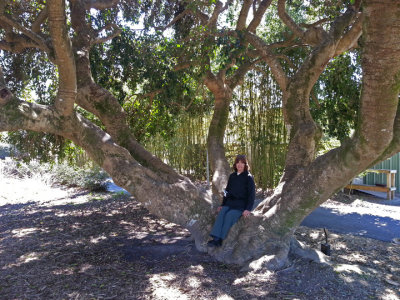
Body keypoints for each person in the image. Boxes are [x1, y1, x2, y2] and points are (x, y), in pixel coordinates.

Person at [207, 154, 255, 247]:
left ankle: (220, 240)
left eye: (242, 163)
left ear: (245, 165)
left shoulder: (248, 177)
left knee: (229, 216)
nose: (240, 165)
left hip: (241, 205)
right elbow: (226, 191)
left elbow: (251, 195)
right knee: (222, 213)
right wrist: (222, 204)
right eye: (238, 162)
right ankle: (215, 237)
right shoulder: (232, 176)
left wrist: (248, 209)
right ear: (235, 164)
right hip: (229, 203)